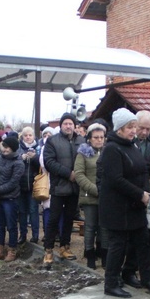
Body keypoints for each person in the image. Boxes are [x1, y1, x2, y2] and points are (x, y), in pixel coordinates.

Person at [99, 108, 150, 298]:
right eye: (130, 127)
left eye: (134, 126)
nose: (134, 131)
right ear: (119, 129)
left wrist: (145, 192)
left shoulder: (131, 146)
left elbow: (142, 171)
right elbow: (116, 179)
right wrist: (139, 194)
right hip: (118, 207)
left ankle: (145, 278)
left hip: (135, 206)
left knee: (142, 243)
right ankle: (111, 283)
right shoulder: (111, 149)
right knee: (118, 245)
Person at [122, 110, 150, 283]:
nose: (144, 132)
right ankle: (130, 267)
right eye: (141, 128)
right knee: (131, 232)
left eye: (148, 129)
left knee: (149, 230)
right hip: (132, 192)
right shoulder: (127, 143)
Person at [42, 113, 85, 265]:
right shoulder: (53, 141)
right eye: (65, 123)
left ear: (75, 126)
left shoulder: (81, 141)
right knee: (53, 219)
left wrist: (78, 176)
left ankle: (65, 247)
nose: (68, 126)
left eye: (71, 124)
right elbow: (49, 162)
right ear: (61, 125)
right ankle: (48, 250)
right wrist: (68, 174)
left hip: (75, 188)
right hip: (59, 187)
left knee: (69, 219)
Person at [74, 123, 107, 269]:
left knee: (104, 227)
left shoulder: (108, 152)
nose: (99, 140)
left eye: (101, 137)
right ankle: (90, 255)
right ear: (89, 139)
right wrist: (95, 189)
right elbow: (79, 175)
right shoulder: (83, 154)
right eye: (96, 137)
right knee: (90, 226)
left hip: (106, 196)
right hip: (89, 196)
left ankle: (105, 256)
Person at [0, 136, 24, 261]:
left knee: (11, 225)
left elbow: (13, 182)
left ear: (13, 148)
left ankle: (12, 250)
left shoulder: (18, 162)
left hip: (10, 198)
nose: (5, 149)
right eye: (4, 146)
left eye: (8, 147)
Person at [17, 126, 41, 244]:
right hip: (20, 185)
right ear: (22, 137)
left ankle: (35, 235)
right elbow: (14, 162)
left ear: (33, 136)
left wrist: (35, 158)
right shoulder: (18, 148)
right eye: (25, 135)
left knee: (33, 211)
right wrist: (21, 158)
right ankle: (23, 235)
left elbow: (43, 165)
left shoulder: (39, 148)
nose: (28, 137)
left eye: (30, 135)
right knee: (22, 211)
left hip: (34, 184)